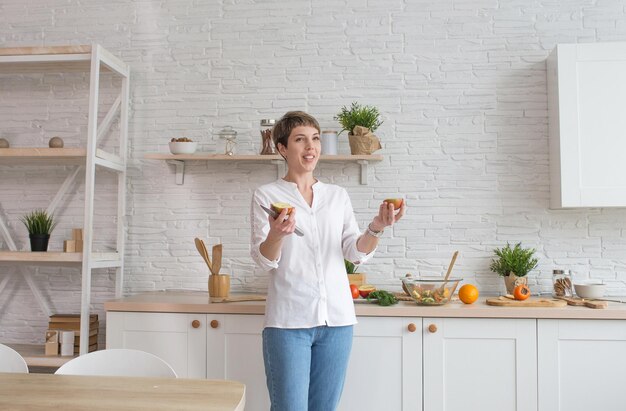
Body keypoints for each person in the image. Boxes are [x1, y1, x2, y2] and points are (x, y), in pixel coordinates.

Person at [249, 111, 405, 411]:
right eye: (300, 139)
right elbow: (264, 260)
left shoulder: (337, 196)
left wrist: (377, 227)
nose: (311, 147)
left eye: (316, 139)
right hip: (288, 323)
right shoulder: (266, 196)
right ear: (282, 148)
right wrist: (277, 234)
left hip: (338, 322)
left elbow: (354, 252)